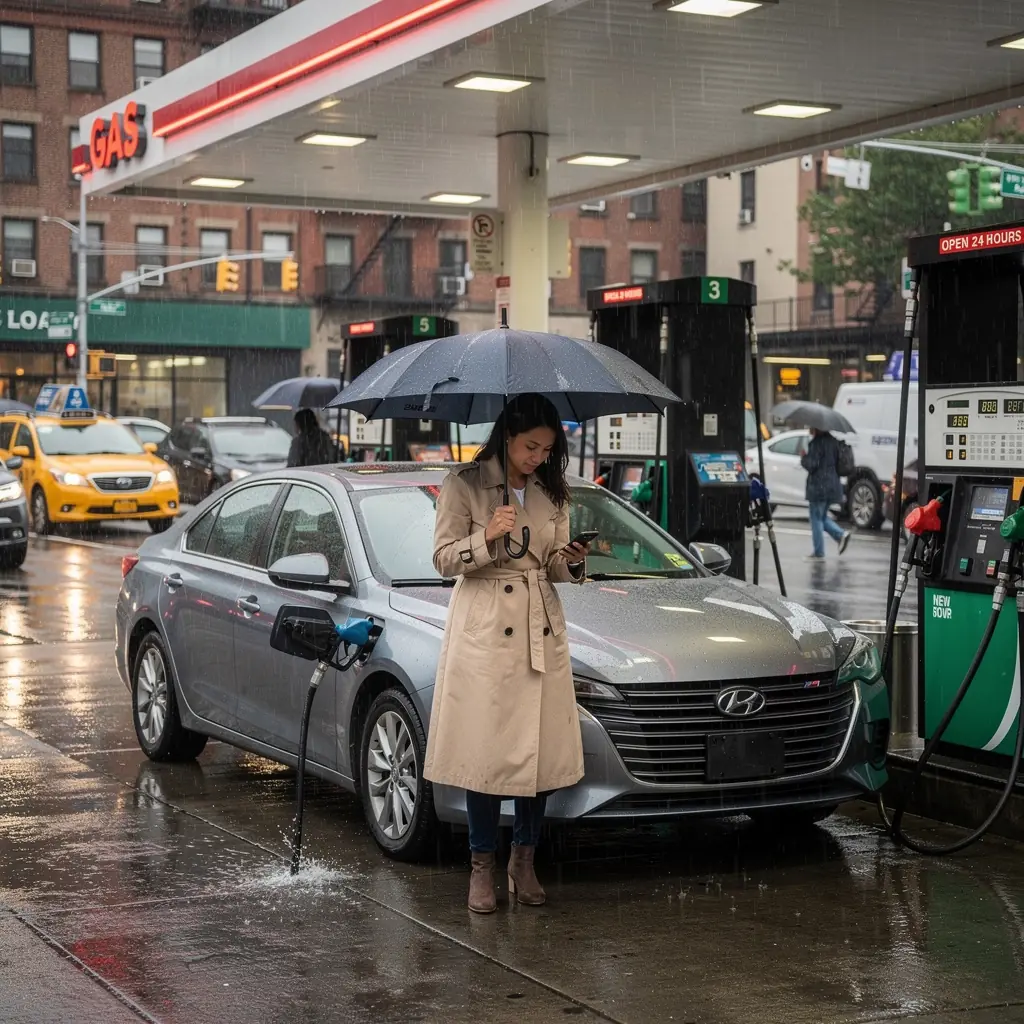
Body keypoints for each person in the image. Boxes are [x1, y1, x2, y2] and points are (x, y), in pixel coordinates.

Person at [424, 393, 591, 914]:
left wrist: (573, 561)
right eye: (529, 446)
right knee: (487, 753)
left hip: (539, 627)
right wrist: (485, 538)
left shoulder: (552, 491)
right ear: (507, 438)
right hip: (485, 627)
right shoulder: (464, 485)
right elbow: (442, 559)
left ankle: (524, 859)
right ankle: (480, 866)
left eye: (546, 448)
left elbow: (553, 566)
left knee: (536, 753)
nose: (537, 457)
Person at [800, 427, 851, 559]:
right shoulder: (833, 442)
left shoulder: (817, 443)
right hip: (832, 486)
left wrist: (804, 457)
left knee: (816, 519)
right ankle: (841, 535)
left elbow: (812, 464)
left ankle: (819, 552)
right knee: (821, 518)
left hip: (819, 487)